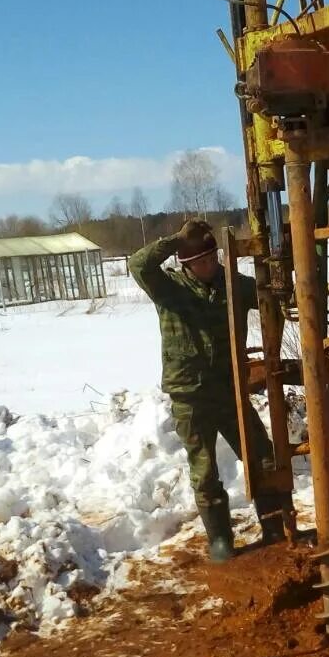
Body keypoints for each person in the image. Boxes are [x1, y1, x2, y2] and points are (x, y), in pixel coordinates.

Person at [130, 219, 291, 561]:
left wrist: (282, 267)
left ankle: (274, 525)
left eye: (211, 259)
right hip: (189, 396)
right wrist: (175, 240)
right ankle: (220, 539)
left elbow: (271, 296)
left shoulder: (233, 285)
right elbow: (138, 264)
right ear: (185, 265)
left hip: (229, 391)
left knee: (261, 455)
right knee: (204, 471)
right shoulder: (168, 288)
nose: (207, 267)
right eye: (199, 263)